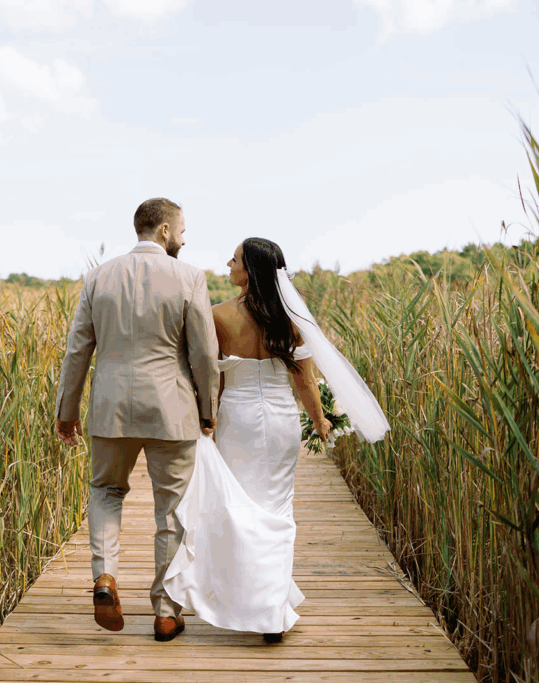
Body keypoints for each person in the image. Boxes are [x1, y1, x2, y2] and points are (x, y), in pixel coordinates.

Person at [163, 237, 390, 643]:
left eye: (233, 260)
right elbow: (305, 382)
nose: (227, 264)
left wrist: (207, 421)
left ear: (249, 270)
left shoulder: (218, 315)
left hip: (239, 418)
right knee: (278, 511)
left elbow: (213, 378)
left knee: (244, 507)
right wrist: (320, 420)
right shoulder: (290, 317)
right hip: (283, 420)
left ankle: (258, 602)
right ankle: (271, 609)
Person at [54, 198, 220, 642]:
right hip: (172, 408)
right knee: (171, 510)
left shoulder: (98, 277)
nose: (185, 238)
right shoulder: (189, 277)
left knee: (106, 492)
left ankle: (105, 577)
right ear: (164, 230)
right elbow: (204, 353)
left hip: (111, 408)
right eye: (182, 230)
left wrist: (66, 411)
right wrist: (209, 409)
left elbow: (77, 351)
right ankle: (166, 611)